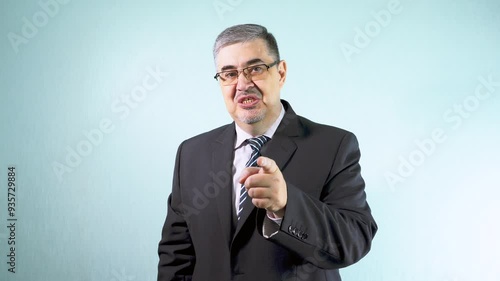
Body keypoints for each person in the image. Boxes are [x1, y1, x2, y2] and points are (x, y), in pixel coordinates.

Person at [157, 23, 377, 281]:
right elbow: (177, 257)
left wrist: (287, 206)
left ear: (281, 73)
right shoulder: (191, 153)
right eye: (228, 74)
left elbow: (354, 241)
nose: (242, 84)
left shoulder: (335, 145)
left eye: (256, 69)